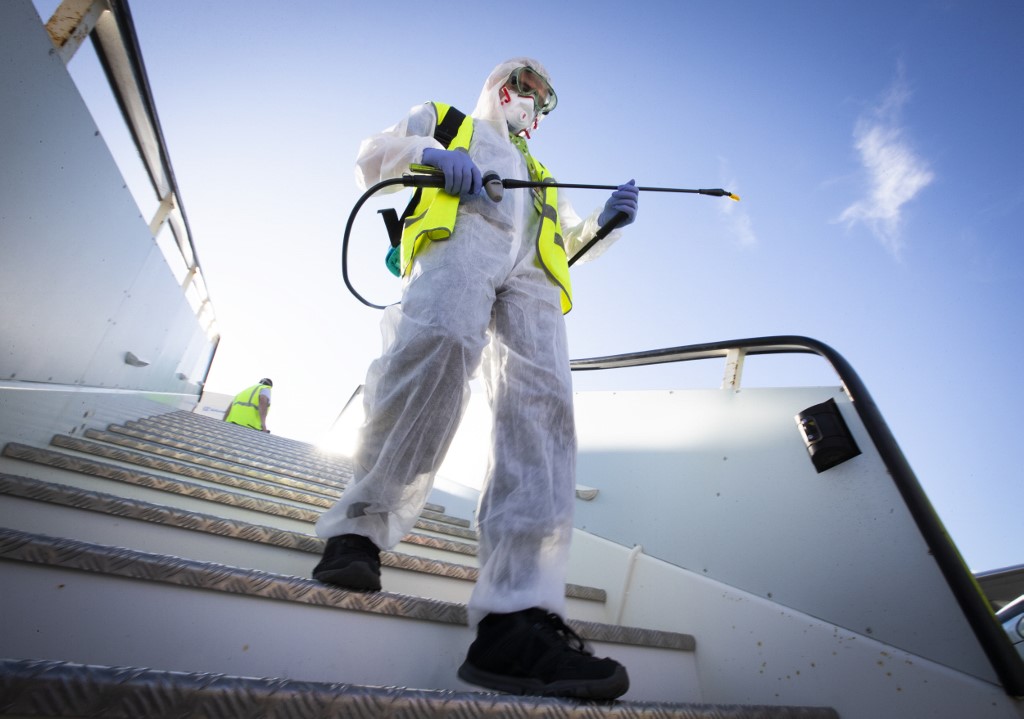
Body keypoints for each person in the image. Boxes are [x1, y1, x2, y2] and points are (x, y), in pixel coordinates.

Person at [313, 58, 638, 700]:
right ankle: (360, 530)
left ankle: (517, 615)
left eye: (541, 104)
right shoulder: (448, 120)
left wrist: (606, 223)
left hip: (533, 282)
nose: (531, 108)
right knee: (437, 349)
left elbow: (567, 241)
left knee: (542, 406)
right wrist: (434, 156)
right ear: (502, 88)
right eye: (526, 93)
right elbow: (375, 155)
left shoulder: (541, 175)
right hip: (462, 235)